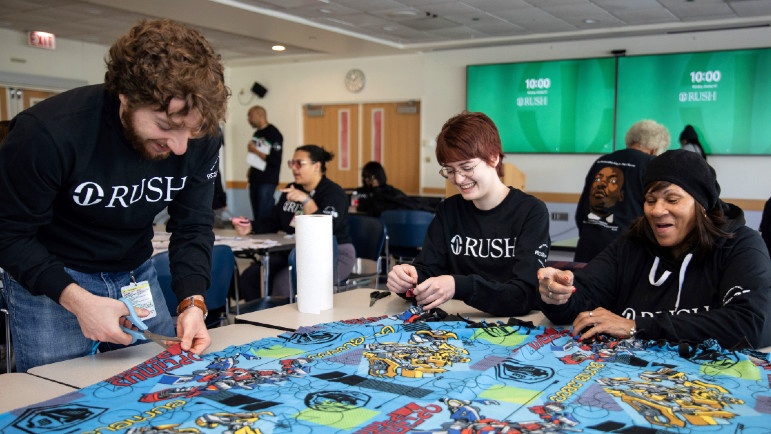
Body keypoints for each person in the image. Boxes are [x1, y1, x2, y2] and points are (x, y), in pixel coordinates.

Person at [0, 19, 228, 371]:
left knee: (163, 384)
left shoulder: (201, 134)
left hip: (135, 272)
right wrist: (76, 300)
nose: (181, 146)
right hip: (52, 278)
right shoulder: (47, 133)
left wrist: (192, 303)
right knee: (58, 398)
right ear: (125, 97)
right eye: (166, 127)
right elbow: (9, 233)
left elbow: (194, 224)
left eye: (191, 131)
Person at [539, 150, 771, 349]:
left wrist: (636, 327)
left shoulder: (740, 246)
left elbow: (749, 324)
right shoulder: (632, 246)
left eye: (672, 199)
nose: (657, 210)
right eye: (650, 200)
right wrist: (559, 295)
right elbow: (584, 296)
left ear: (702, 206)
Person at [386, 112, 550, 316]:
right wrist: (407, 280)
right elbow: (427, 272)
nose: (459, 179)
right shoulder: (449, 211)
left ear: (494, 157)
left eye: (467, 167)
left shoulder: (531, 212)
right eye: (450, 170)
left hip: (515, 328)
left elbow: (523, 295)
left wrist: (458, 285)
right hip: (457, 326)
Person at [233, 145, 355, 299]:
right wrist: (250, 227)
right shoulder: (291, 189)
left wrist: (306, 201)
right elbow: (273, 220)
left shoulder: (333, 193)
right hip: (294, 252)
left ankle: (281, 321)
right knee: (251, 277)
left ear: (316, 166)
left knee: (285, 283)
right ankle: (254, 318)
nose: (294, 169)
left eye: (299, 164)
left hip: (333, 254)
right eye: (292, 163)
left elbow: (325, 230)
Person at [574, 119, 670, 262]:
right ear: (655, 148)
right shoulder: (651, 165)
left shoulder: (602, 161)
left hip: (589, 248)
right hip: (627, 253)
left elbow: (581, 211)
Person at [246, 106, 283, 222]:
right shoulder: (257, 133)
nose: (249, 120)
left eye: (250, 116)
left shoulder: (274, 133)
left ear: (260, 115)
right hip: (255, 178)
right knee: (256, 213)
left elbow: (275, 160)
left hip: (267, 179)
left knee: (264, 213)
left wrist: (255, 151)